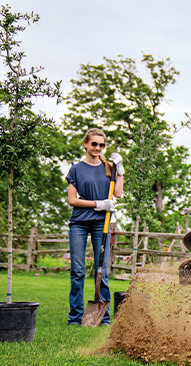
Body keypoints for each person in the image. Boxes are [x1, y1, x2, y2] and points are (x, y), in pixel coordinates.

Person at [65, 128, 124, 325]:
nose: (98, 148)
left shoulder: (109, 167)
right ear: (85, 144)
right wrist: (98, 204)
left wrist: (120, 171)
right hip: (79, 223)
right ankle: (75, 318)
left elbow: (117, 194)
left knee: (102, 272)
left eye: (101, 145)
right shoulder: (76, 169)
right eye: (94, 144)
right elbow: (72, 200)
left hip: (102, 224)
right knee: (78, 271)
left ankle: (104, 317)